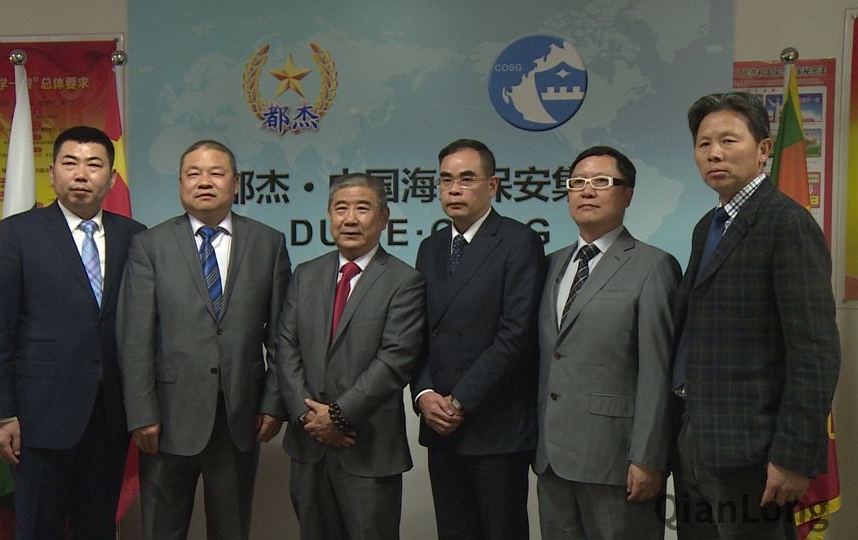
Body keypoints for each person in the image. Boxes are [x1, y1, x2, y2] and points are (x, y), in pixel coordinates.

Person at [672, 92, 840, 539]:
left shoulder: (787, 224)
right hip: (694, 439)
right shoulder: (706, 226)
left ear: (764, 149)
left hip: (754, 451)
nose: (714, 153)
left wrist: (793, 456)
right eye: (704, 144)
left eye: (728, 140)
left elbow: (815, 352)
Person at [116, 140, 291, 539]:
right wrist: (141, 412)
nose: (204, 182)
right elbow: (136, 336)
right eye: (193, 174)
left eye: (216, 173)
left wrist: (274, 402)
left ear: (236, 183)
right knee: (163, 529)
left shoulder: (268, 243)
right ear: (180, 183)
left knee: (231, 529)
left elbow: (282, 336)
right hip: (166, 418)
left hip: (239, 416)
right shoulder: (150, 245)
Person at [0, 125, 146, 539]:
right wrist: (0, 414)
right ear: (52, 173)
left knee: (97, 527)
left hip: (109, 416)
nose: (81, 174)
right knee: (38, 527)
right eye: (70, 163)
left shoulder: (135, 237)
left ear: (111, 177)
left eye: (94, 165)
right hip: (39, 417)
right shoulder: (18, 234)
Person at [533, 145, 680, 539]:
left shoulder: (654, 266)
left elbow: (658, 370)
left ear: (627, 194)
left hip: (617, 461)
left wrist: (648, 457)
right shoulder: (549, 264)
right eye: (577, 182)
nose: (587, 191)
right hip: (552, 459)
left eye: (601, 182)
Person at [276, 173, 425, 540]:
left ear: (383, 218)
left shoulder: (404, 281)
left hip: (368, 446)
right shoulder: (305, 275)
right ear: (329, 215)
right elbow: (286, 346)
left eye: (362, 208)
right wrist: (308, 416)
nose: (350, 219)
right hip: (308, 445)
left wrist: (338, 416)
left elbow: (395, 360)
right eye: (340, 208)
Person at [412, 139, 546, 540]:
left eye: (467, 179)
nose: (454, 189)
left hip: (495, 426)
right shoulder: (430, 248)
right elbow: (419, 333)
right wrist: (424, 395)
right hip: (440, 424)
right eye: (446, 180)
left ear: (492, 185)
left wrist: (459, 401)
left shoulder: (519, 241)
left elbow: (516, 336)